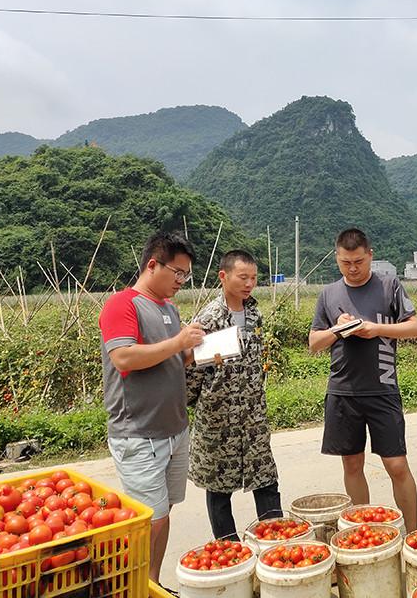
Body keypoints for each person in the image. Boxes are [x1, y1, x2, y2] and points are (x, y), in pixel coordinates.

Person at [98, 232, 204, 585]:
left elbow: (173, 357)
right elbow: (124, 356)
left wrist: (193, 353)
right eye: (176, 272)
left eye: (185, 275)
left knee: (164, 512)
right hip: (139, 434)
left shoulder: (169, 308)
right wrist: (177, 342)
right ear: (152, 265)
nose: (180, 281)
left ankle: (152, 583)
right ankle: (131, 585)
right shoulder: (122, 304)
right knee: (148, 519)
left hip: (174, 429)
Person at [308, 228, 417, 532]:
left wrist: (375, 329)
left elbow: (415, 328)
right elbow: (313, 343)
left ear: (370, 255)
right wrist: (337, 328)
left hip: (382, 389)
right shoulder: (329, 294)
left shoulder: (389, 286)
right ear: (337, 258)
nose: (353, 268)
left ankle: (411, 532)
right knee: (352, 465)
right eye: (346, 263)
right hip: (343, 392)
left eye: (359, 261)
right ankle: (364, 531)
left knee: (396, 465)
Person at [187, 250, 282, 541]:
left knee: (265, 480)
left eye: (253, 278)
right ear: (223, 276)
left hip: (252, 417)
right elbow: (192, 370)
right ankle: (229, 550)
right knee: (218, 488)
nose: (249, 283)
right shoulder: (209, 318)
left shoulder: (255, 313)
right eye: (243, 277)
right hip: (219, 418)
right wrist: (195, 402)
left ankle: (275, 544)